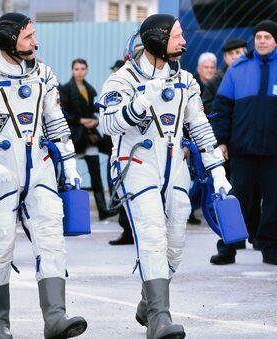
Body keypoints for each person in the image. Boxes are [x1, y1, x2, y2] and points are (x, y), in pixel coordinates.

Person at [0, 13, 87, 339]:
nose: (35, 42)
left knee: (52, 239)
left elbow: (56, 122)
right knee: (1, 244)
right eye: (28, 37)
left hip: (39, 169)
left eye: (33, 36)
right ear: (9, 40)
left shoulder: (44, 74)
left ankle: (56, 317)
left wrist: (69, 164)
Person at [99, 14, 231, 338]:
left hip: (173, 165)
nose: (183, 43)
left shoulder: (185, 81)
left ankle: (148, 300)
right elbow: (108, 125)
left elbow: (199, 125)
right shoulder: (123, 80)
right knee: (153, 235)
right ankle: (159, 318)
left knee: (176, 241)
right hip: (136, 165)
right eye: (176, 37)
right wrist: (141, 101)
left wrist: (217, 168)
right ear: (157, 40)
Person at [210, 20, 277, 266]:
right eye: (258, 36)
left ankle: (270, 249)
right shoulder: (238, 68)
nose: (261, 40)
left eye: (267, 37)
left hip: (273, 153)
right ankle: (228, 248)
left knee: (274, 203)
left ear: (275, 40)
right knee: (235, 200)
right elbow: (222, 109)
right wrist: (222, 141)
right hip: (243, 149)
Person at [59, 58, 115, 221]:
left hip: (89, 137)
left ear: (87, 70)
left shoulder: (90, 90)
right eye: (76, 69)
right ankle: (63, 210)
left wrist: (96, 121)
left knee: (96, 173)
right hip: (73, 138)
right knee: (65, 174)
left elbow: (94, 111)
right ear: (72, 70)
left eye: (83, 69)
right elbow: (63, 113)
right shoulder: (66, 89)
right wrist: (80, 120)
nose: (80, 72)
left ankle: (103, 209)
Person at [106, 60, 134, 246]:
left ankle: (131, 231)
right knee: (122, 192)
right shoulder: (112, 88)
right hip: (119, 150)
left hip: (134, 150)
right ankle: (127, 230)